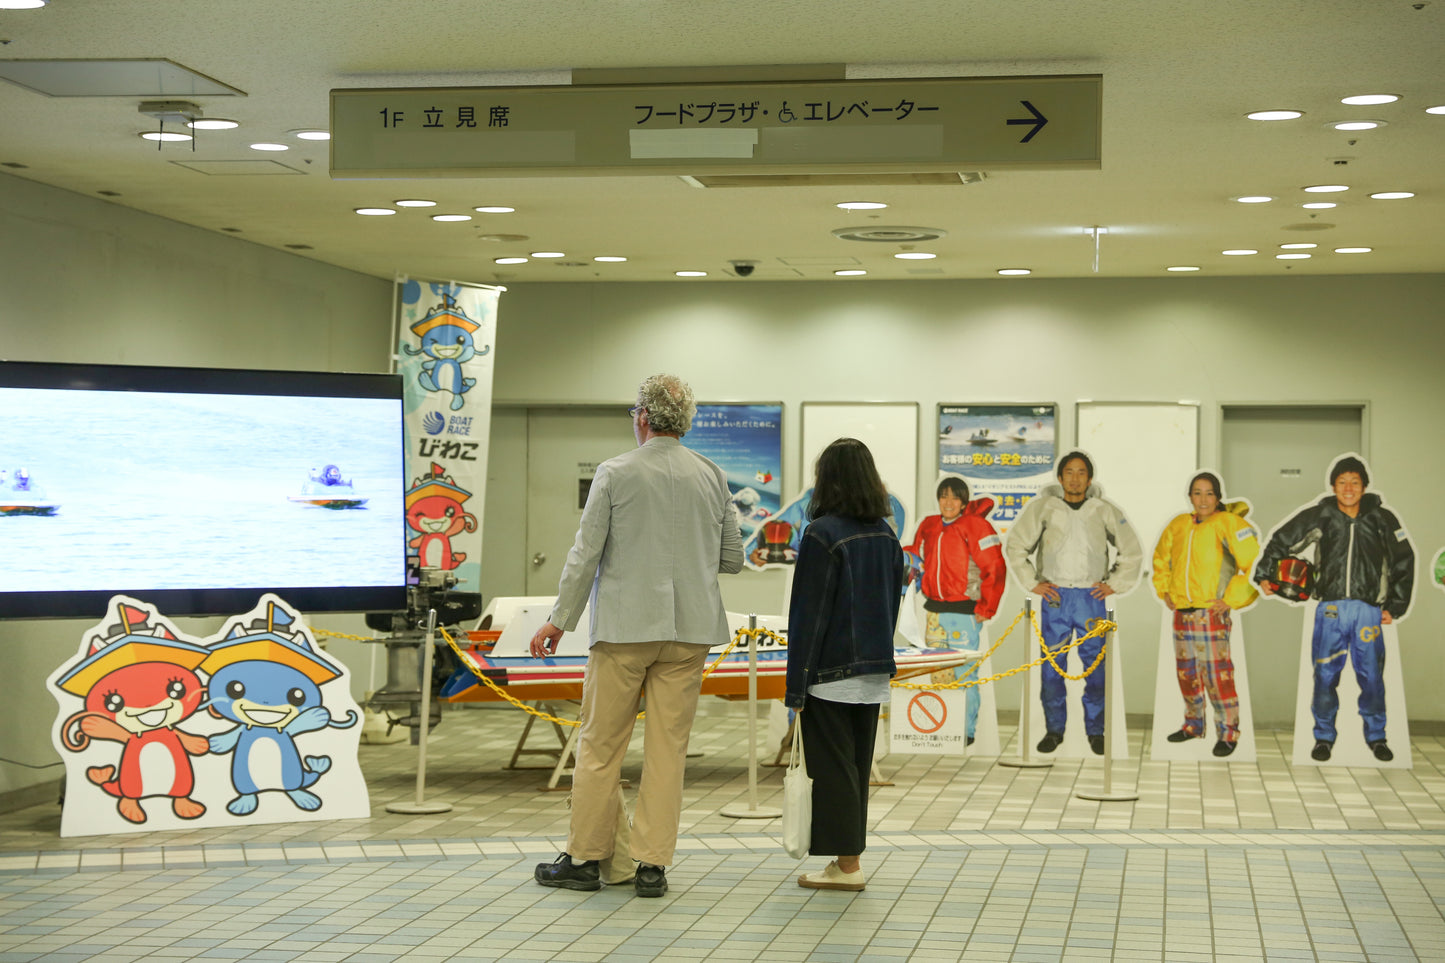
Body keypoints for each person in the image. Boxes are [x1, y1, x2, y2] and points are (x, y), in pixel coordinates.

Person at [530, 374, 744, 897]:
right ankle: (651, 867)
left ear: (642, 418)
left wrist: (560, 618)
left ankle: (584, 859)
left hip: (626, 630)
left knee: (601, 745)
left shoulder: (615, 472)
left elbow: (586, 553)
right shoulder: (714, 476)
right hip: (689, 633)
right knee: (668, 749)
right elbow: (733, 559)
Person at [784, 438, 905, 893]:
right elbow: (892, 603)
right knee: (854, 765)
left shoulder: (821, 533)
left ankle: (847, 866)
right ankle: (847, 859)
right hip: (873, 670)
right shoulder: (886, 534)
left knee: (834, 769)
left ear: (827, 478)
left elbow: (808, 616)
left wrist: (796, 687)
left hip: (830, 673)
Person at [1255, 455, 1414, 762]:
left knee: (1371, 678)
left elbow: (1404, 559)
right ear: (1333, 486)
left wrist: (1395, 605)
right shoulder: (1321, 515)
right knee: (1325, 676)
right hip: (1329, 610)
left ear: (1365, 486)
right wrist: (1265, 573)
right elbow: (1282, 540)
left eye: (1355, 482)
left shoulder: (1384, 519)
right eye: (1342, 482)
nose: (1348, 488)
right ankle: (1324, 737)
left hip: (1368, 611)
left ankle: (1377, 736)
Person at [1004, 451, 1142, 754]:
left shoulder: (1103, 510)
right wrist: (1033, 582)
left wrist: (1113, 584)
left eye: (1081, 472)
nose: (1075, 478)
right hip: (1056, 597)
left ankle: (1096, 730)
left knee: (1096, 668)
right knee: (1052, 669)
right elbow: (1016, 546)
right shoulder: (1043, 508)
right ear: (1060, 477)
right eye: (1069, 472)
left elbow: (1131, 550)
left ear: (1090, 478)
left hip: (1090, 597)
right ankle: (1054, 730)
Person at [1151, 472, 1260, 757]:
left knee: (1216, 675)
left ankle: (1228, 733)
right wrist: (1165, 590)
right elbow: (1161, 559)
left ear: (1218, 497)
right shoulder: (1178, 525)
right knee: (1187, 674)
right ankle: (1192, 725)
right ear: (1190, 496)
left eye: (1209, 493)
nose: (1203, 499)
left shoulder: (1229, 524)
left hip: (1210, 614)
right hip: (1182, 614)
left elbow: (1254, 564)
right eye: (1197, 493)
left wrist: (1230, 600)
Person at [903, 476, 1006, 746]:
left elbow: (994, 567)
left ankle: (966, 731)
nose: (948, 502)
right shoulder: (929, 524)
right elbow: (915, 554)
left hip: (964, 612)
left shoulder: (977, 526)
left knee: (964, 672)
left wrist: (987, 607)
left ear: (963, 501)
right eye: (943, 496)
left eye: (954, 497)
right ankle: (945, 726)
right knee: (939, 671)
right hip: (934, 611)